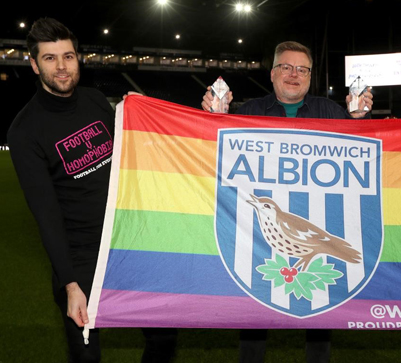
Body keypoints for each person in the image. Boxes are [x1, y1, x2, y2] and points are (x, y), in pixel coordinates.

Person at [8, 18, 177, 362]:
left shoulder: (96, 100)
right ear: (34, 64)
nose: (61, 67)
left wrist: (147, 113)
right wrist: (70, 283)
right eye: (50, 58)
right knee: (86, 356)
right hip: (80, 256)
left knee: (164, 339)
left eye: (68, 56)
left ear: (77, 58)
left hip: (128, 241)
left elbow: (133, 153)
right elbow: (45, 213)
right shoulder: (25, 130)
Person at [202, 41, 373, 363]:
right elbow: (214, 157)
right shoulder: (249, 112)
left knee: (320, 315)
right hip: (256, 238)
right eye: (287, 67)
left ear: (310, 77)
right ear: (272, 73)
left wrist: (358, 119)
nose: (294, 75)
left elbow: (362, 153)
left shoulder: (330, 112)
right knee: (253, 313)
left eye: (302, 70)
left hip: (317, 223)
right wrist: (212, 119)